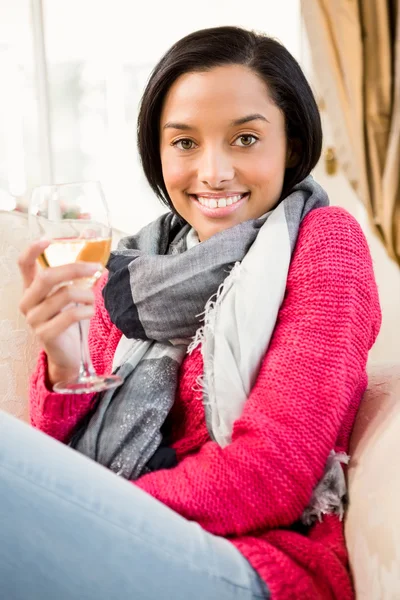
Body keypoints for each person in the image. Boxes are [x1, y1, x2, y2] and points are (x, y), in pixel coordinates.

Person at [4, 25, 381, 600]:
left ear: (293, 148)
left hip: (252, 564)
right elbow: (63, 453)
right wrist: (63, 361)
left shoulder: (322, 242)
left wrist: (96, 502)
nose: (213, 172)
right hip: (117, 544)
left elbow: (269, 477)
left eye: (245, 140)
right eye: (184, 143)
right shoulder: (135, 267)